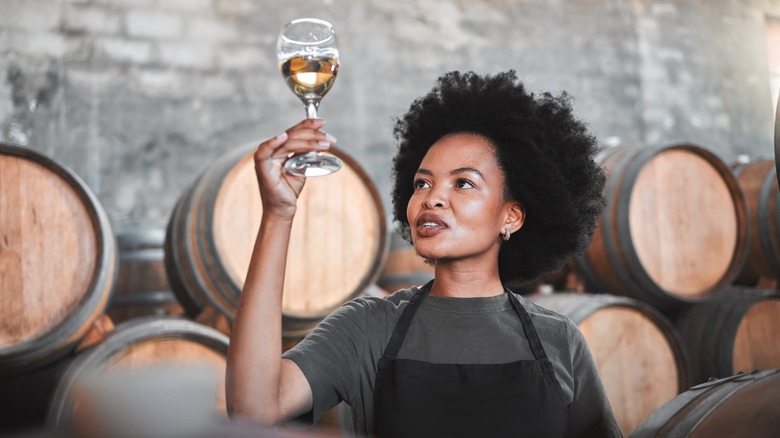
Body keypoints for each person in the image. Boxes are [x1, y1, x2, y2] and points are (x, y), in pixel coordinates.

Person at [226, 70, 623, 437]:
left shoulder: (560, 339)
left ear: (512, 216)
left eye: (463, 183)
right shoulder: (368, 327)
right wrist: (279, 213)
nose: (432, 198)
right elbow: (255, 408)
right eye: (421, 183)